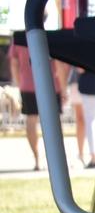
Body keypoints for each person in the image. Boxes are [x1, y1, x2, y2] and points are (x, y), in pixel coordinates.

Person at [6, 42, 67, 171]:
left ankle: (37, 158)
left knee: (31, 120)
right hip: (50, 85)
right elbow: (59, 65)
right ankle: (55, 160)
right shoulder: (46, 38)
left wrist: (19, 84)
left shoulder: (19, 39)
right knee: (53, 123)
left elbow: (14, 64)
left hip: (28, 86)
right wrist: (63, 88)